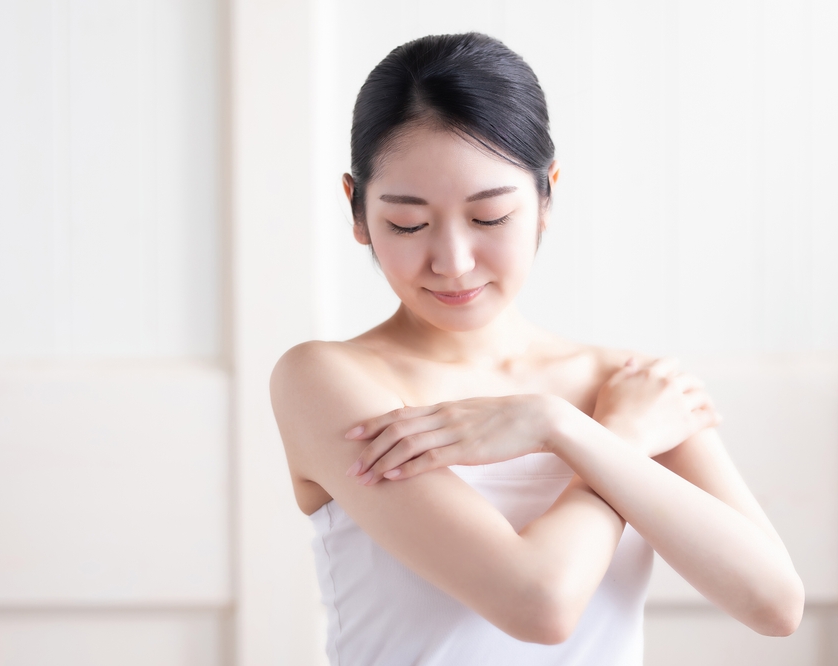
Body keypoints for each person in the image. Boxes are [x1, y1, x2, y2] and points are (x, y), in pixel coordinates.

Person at [270, 32, 803, 665]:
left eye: (490, 217)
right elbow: (539, 604)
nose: (453, 262)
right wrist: (610, 438)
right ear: (357, 212)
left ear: (546, 196)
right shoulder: (325, 379)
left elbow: (773, 604)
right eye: (407, 223)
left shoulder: (628, 383)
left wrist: (558, 425)